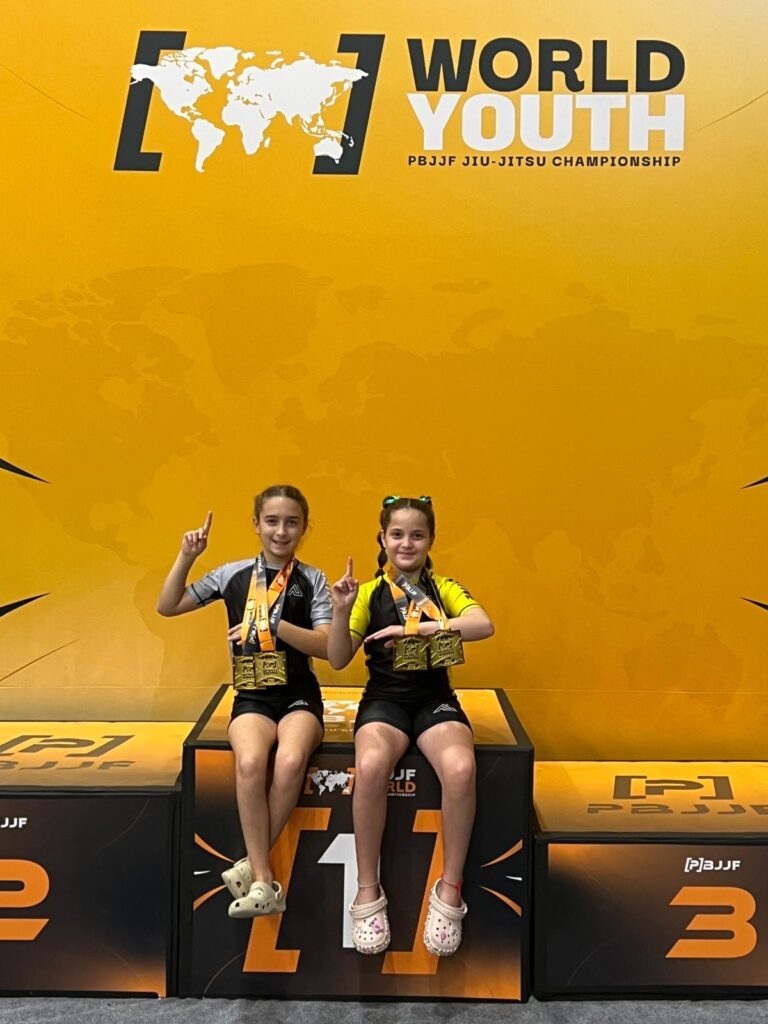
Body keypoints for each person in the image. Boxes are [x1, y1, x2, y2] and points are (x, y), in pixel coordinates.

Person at [327, 495, 494, 956]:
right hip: (385, 703)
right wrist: (340, 610)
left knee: (461, 769)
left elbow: (483, 625)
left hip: (435, 703)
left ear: (430, 541)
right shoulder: (366, 593)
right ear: (382, 539)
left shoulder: (444, 588)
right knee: (370, 766)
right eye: (397, 534)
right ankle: (367, 889)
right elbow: (338, 659)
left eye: (417, 535)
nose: (406, 543)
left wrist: (418, 629)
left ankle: (450, 889)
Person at [157, 485, 331, 918]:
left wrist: (275, 624)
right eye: (272, 521)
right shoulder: (231, 575)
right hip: (252, 695)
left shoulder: (313, 579)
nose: (281, 531)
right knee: (250, 762)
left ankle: (254, 871)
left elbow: (328, 647)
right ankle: (263, 881)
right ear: (256, 524)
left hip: (299, 696)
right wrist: (187, 556)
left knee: (291, 760)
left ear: (304, 528)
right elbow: (168, 605)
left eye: (291, 523)